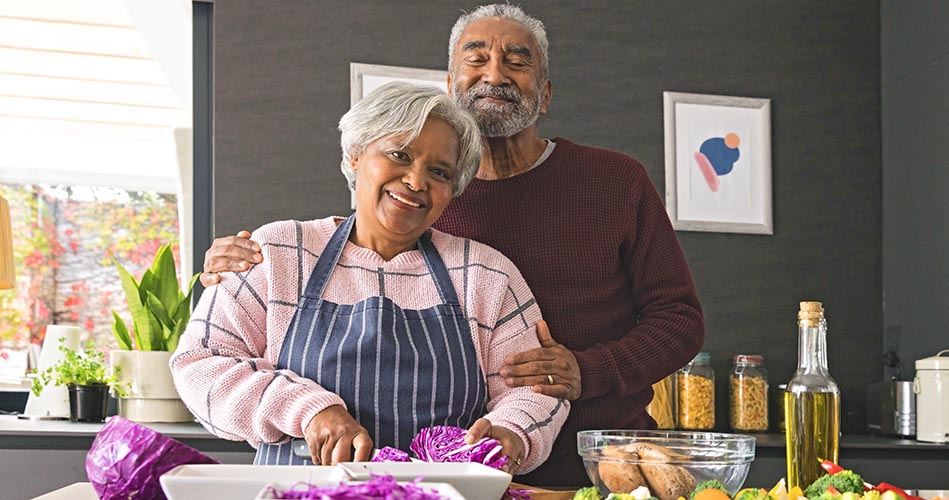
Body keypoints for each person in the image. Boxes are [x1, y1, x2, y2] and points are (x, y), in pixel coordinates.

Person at [200, 4, 704, 487]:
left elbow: (678, 318)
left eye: (517, 61)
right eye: (477, 57)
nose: (496, 74)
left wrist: (578, 377)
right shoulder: (295, 247)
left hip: (587, 464)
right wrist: (234, 271)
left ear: (545, 94)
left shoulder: (601, 190)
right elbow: (210, 357)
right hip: (374, 484)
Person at [171, 82, 568, 473]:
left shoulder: (486, 274)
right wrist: (309, 410)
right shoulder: (279, 252)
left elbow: (533, 391)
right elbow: (201, 366)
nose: (416, 181)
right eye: (399, 154)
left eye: (439, 171)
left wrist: (510, 434)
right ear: (357, 154)